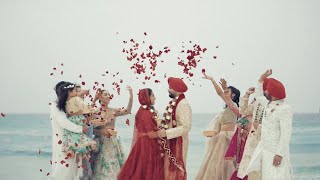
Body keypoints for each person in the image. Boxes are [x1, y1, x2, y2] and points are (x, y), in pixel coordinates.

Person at [247, 70, 293, 180]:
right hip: (265, 150)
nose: (265, 92)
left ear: (272, 92)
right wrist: (260, 78)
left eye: (266, 90)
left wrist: (279, 154)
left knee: (278, 176)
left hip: (276, 152)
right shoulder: (268, 104)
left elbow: (286, 134)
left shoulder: (284, 109)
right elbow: (258, 95)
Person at [195, 73, 241, 180]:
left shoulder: (234, 106)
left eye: (227, 91)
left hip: (227, 138)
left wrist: (212, 80)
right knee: (214, 165)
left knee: (224, 166)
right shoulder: (228, 107)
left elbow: (220, 93)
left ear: (233, 95)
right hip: (220, 137)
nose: (225, 93)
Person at [118, 88, 164, 180]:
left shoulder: (143, 110)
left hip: (143, 144)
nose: (155, 98)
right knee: (146, 171)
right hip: (147, 146)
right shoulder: (146, 113)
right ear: (147, 97)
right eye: (153, 96)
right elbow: (150, 134)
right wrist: (165, 132)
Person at [92, 86, 133, 180]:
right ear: (100, 97)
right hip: (101, 143)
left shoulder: (113, 111)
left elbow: (127, 111)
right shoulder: (95, 111)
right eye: (106, 94)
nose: (108, 96)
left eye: (109, 94)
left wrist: (131, 97)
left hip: (113, 142)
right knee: (101, 168)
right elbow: (91, 129)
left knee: (114, 167)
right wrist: (102, 132)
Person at [50, 81, 89, 180]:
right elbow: (63, 122)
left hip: (71, 139)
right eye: (73, 91)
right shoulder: (55, 106)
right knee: (64, 167)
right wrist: (81, 129)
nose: (75, 93)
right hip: (62, 140)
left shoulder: (66, 105)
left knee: (72, 167)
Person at [157, 77, 192, 180]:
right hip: (172, 141)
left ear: (176, 89)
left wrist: (166, 133)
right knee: (168, 170)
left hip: (178, 143)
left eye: (170, 88)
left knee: (177, 170)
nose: (168, 90)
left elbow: (186, 127)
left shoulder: (183, 104)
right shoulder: (175, 102)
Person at [56, 82, 96, 166]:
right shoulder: (75, 99)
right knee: (81, 140)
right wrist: (91, 110)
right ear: (70, 92)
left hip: (73, 122)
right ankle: (81, 154)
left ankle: (77, 153)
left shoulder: (65, 103)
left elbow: (71, 112)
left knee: (75, 140)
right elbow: (84, 108)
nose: (77, 93)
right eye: (75, 91)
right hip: (78, 122)